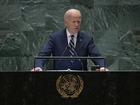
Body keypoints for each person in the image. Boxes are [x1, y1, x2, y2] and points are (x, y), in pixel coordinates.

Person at [32, 9, 108, 71]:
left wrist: (102, 66)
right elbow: (43, 55)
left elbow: (97, 56)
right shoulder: (55, 38)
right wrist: (38, 67)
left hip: (81, 78)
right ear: (66, 23)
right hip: (59, 78)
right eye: (74, 22)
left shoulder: (87, 39)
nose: (76, 25)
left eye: (78, 22)